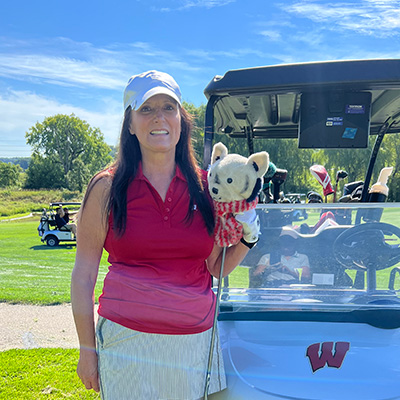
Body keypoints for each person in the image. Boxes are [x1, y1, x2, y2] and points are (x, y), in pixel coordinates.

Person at [71, 70, 259, 400]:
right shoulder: (106, 187)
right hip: (127, 342)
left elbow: (216, 267)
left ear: (181, 120)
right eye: (146, 109)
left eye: (168, 108)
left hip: (196, 341)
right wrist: (87, 349)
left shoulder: (208, 187)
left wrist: (249, 237)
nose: (159, 118)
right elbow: (84, 275)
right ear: (130, 123)